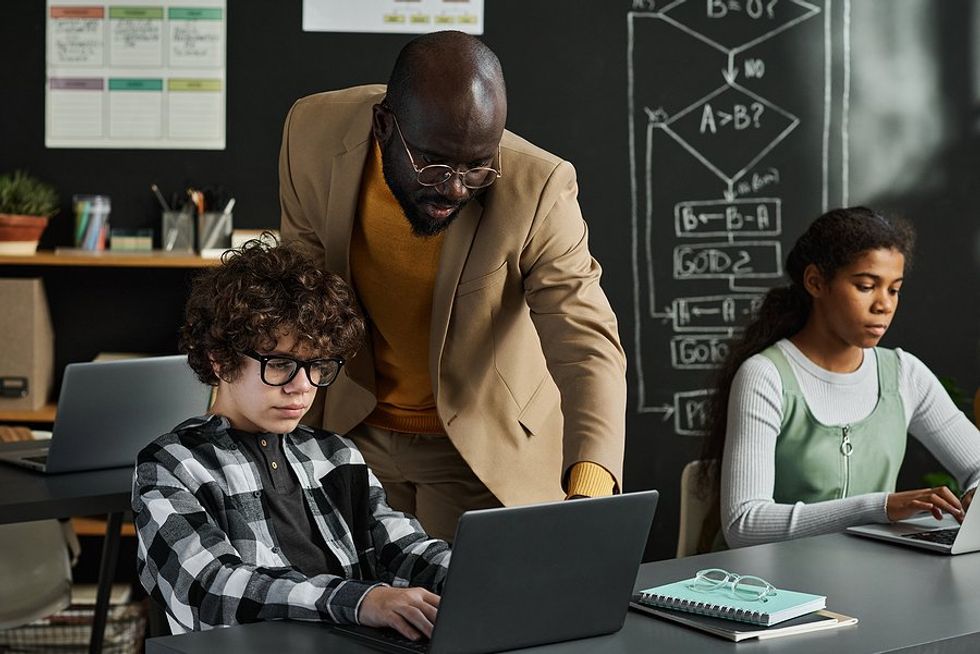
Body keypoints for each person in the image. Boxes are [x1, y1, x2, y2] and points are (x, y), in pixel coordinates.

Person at [278, 31, 626, 540]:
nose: (456, 187)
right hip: (351, 430)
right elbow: (297, 293)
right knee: (356, 610)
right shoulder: (312, 133)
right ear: (383, 126)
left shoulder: (538, 186)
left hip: (479, 445)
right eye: (434, 164)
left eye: (477, 166)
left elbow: (585, 340)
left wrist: (590, 490)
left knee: (466, 614)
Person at [132, 239, 450, 639]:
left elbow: (403, 549)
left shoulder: (334, 455)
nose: (302, 387)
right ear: (220, 359)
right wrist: (360, 601)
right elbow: (210, 589)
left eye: (317, 365)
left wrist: (480, 574)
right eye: (280, 364)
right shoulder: (171, 465)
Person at [699, 207, 980, 549]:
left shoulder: (905, 374)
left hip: (867, 580)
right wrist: (880, 507)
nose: (884, 305)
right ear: (816, 282)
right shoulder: (765, 376)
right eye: (866, 286)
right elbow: (744, 524)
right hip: (766, 589)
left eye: (894, 290)